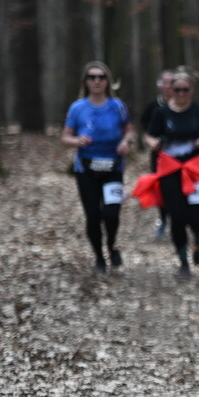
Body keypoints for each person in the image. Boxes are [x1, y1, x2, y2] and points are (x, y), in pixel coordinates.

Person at [133, 71, 199, 279]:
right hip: (170, 169)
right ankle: (183, 262)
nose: (181, 93)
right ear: (170, 90)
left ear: (191, 90)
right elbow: (149, 134)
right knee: (177, 216)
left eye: (185, 89)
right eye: (177, 90)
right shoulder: (162, 112)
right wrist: (152, 143)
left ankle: (198, 240)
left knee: (198, 215)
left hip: (195, 168)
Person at [61, 61, 134, 273]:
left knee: (111, 213)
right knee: (93, 215)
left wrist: (126, 142)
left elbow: (129, 131)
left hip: (113, 167)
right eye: (92, 77)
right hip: (86, 169)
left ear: (107, 81)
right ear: (85, 81)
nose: (96, 81)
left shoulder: (117, 106)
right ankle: (99, 258)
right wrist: (76, 141)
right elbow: (65, 137)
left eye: (101, 77)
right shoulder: (77, 108)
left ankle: (112, 245)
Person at [139, 69, 175, 239]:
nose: (168, 86)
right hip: (159, 155)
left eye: (171, 82)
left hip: (180, 156)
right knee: (161, 188)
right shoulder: (153, 106)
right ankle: (163, 220)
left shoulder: (183, 104)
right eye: (165, 82)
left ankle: (180, 220)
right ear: (159, 84)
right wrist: (152, 142)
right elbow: (146, 131)